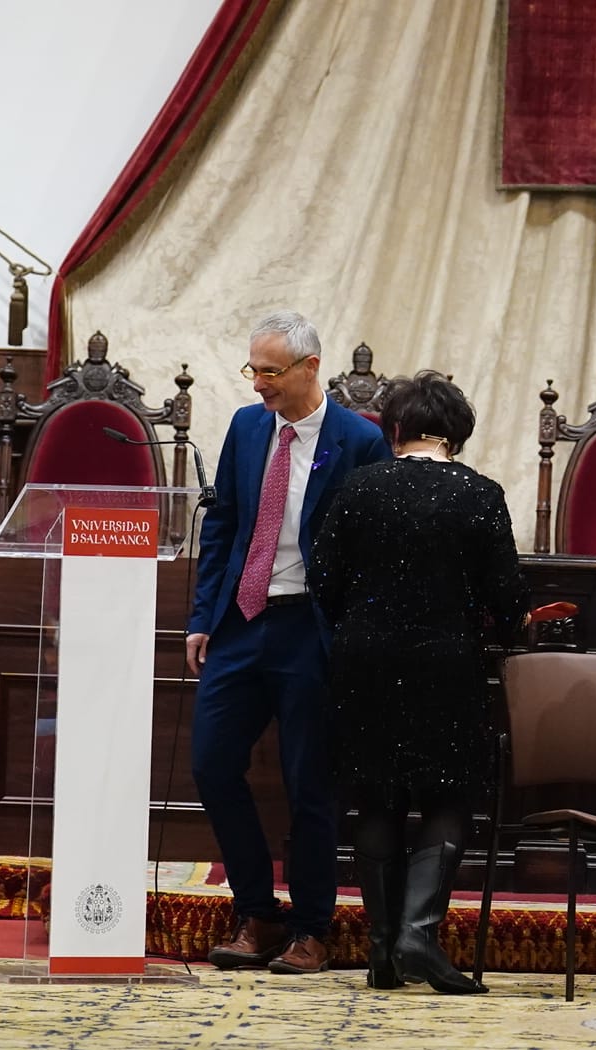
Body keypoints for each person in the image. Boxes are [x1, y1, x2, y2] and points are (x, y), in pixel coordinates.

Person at [309, 371, 528, 994]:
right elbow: (507, 594)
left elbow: (322, 580)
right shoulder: (479, 494)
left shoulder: (357, 488)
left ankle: (381, 951)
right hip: (445, 660)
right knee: (446, 797)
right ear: (456, 432)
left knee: (376, 798)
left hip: (363, 659)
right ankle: (417, 934)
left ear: (394, 428)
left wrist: (362, 621)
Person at [186, 311, 391, 975]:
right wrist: (201, 617)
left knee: (310, 786)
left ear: (310, 367)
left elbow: (372, 552)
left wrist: (356, 638)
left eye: (270, 372)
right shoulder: (248, 428)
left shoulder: (359, 441)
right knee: (212, 765)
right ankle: (258, 914)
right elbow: (221, 525)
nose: (258, 385)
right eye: (253, 369)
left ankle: (311, 928)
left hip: (311, 629)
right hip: (242, 622)